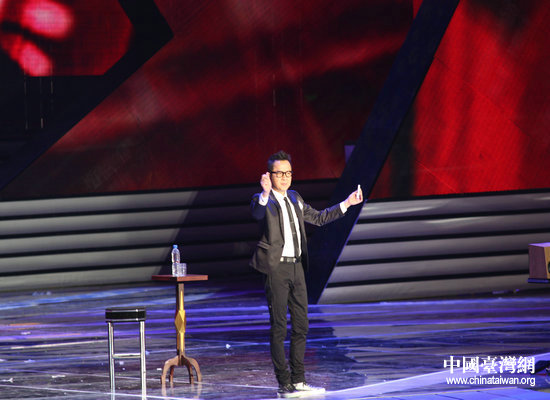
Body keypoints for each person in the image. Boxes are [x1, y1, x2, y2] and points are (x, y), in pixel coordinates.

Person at [250, 150, 363, 398]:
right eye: (279, 173)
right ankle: (284, 384)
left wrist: (347, 203)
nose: (284, 177)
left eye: (288, 173)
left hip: (297, 268)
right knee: (279, 327)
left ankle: (299, 380)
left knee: (301, 325)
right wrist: (265, 193)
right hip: (276, 269)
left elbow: (319, 218)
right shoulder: (263, 199)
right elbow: (257, 213)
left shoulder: (295, 197)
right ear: (269, 175)